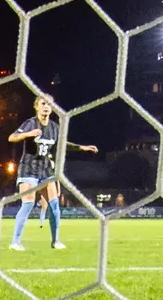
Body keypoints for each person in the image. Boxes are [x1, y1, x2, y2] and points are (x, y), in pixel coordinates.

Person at [8, 95, 98, 251]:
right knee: (28, 203)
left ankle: (55, 241)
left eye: (49, 104)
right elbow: (12, 137)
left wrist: (81, 147)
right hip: (28, 169)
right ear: (36, 106)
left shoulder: (54, 127)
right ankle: (15, 242)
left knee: (55, 205)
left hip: (45, 170)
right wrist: (27, 135)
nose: (46, 106)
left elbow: (62, 143)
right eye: (43, 103)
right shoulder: (30, 123)